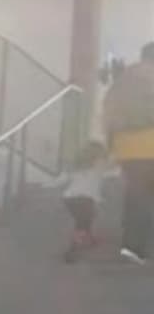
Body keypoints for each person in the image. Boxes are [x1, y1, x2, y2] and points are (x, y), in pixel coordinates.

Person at [102, 41, 154, 262]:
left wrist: (111, 144)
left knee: (136, 196)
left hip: (127, 147)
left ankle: (132, 247)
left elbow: (109, 110)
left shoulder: (123, 79)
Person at [60, 140, 110, 263]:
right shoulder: (99, 167)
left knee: (86, 218)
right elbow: (95, 185)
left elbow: (64, 178)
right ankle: (73, 249)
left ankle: (90, 239)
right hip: (85, 198)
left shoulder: (77, 167)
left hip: (69, 198)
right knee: (82, 222)